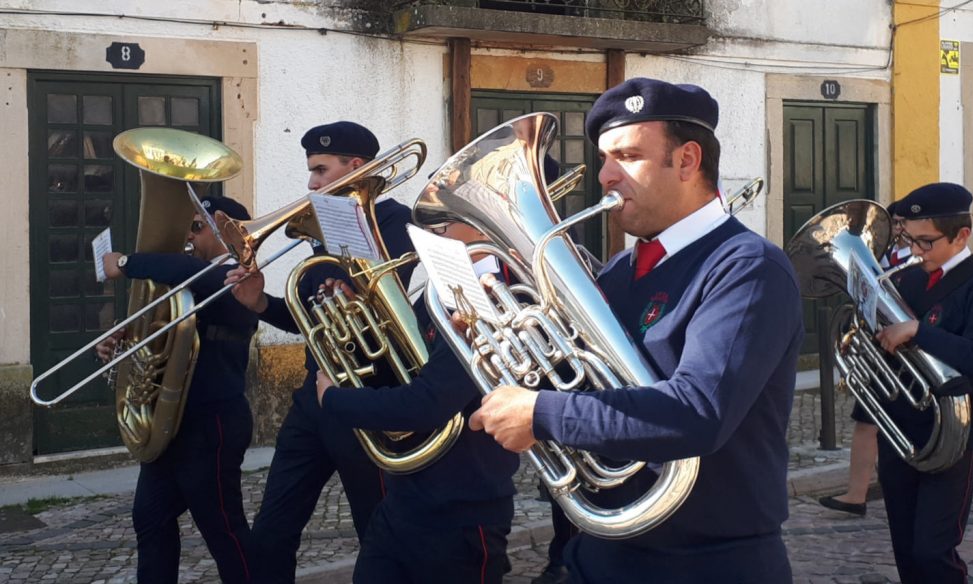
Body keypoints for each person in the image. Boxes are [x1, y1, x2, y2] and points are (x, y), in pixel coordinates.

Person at [468, 78, 804, 582]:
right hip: (603, 547)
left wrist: (541, 413)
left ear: (687, 161)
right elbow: (584, 384)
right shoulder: (620, 271)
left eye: (626, 156)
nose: (605, 175)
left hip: (706, 561)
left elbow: (699, 412)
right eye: (604, 159)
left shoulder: (747, 267)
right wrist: (496, 335)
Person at [226, 121, 416, 583]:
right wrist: (260, 303)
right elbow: (311, 320)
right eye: (310, 171)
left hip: (366, 396)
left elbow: (380, 308)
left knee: (377, 528)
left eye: (320, 170)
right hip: (314, 398)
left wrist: (356, 294)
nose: (310, 183)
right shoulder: (320, 232)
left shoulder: (394, 221)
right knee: (272, 528)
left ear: (356, 167)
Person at [308, 218, 520, 584]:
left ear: (485, 225)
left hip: (463, 516)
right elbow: (401, 373)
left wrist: (335, 399)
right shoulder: (436, 292)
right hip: (405, 499)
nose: (431, 230)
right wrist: (358, 325)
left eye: (445, 221)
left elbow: (427, 404)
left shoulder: (500, 300)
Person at [98, 196, 258, 584]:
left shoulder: (241, 279)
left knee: (224, 532)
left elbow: (190, 272)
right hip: (170, 424)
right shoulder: (187, 281)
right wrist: (124, 341)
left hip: (212, 424)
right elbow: (156, 339)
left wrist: (125, 262)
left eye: (198, 227)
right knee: (150, 521)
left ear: (227, 228)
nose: (189, 236)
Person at [873, 182, 973, 583]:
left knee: (932, 552)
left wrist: (917, 331)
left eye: (927, 242)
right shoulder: (907, 280)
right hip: (900, 432)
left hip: (953, 434)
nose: (916, 251)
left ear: (961, 235)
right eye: (911, 240)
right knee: (907, 554)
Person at [820, 201, 910, 517]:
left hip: (907, 352)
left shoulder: (916, 262)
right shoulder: (881, 257)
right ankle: (856, 494)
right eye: (896, 222)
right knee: (866, 419)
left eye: (904, 223)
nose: (900, 229)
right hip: (879, 349)